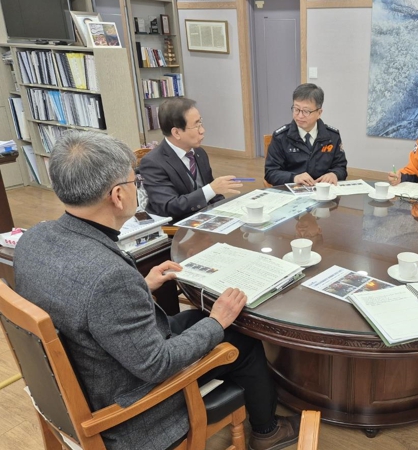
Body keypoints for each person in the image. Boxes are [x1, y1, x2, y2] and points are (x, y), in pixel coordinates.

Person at [13, 131, 300, 450]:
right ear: (118, 195)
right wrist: (217, 321)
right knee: (239, 337)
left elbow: (76, 299)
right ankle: (267, 431)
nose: (138, 188)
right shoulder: (108, 279)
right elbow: (157, 364)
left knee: (200, 320)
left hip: (87, 374)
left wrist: (140, 285)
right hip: (127, 408)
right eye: (134, 181)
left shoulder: (33, 238)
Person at [140, 97, 244, 223]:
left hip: (205, 219)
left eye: (201, 123)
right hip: (176, 225)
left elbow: (213, 194)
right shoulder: (153, 163)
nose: (202, 130)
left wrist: (228, 212)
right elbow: (169, 206)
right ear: (176, 133)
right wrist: (211, 189)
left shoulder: (199, 153)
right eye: (196, 125)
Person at [264, 83, 347, 186]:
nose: (300, 116)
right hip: (293, 191)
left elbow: (341, 167)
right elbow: (270, 172)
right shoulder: (281, 137)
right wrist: (294, 178)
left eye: (306, 111)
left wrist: (334, 174)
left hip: (323, 191)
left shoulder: (332, 136)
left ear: (319, 113)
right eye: (296, 109)